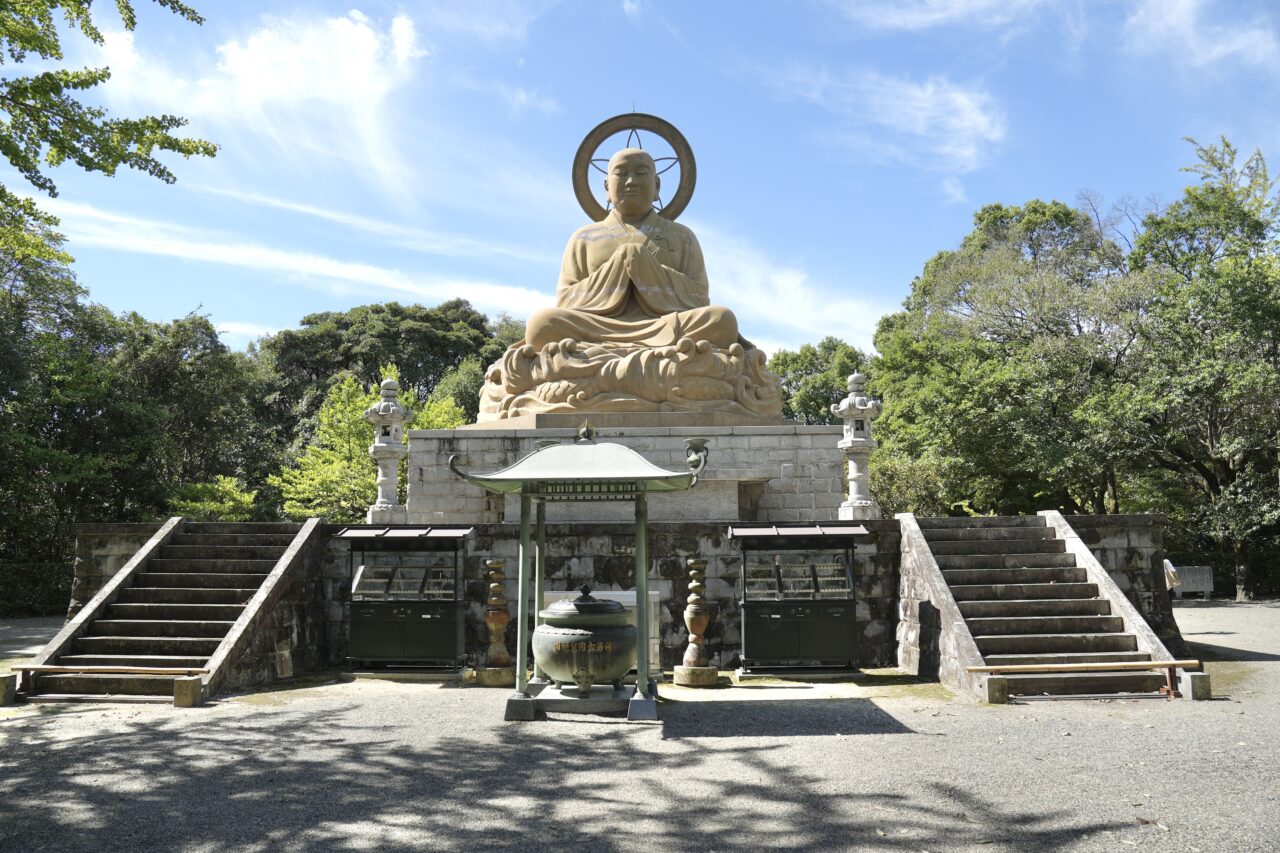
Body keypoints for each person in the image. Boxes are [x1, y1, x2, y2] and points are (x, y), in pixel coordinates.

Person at [524, 147, 739, 350]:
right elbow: (566, 299)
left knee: (722, 320)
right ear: (607, 187)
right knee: (541, 324)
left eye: (641, 173)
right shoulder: (584, 237)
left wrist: (645, 267)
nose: (631, 181)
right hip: (598, 327)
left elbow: (699, 297)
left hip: (667, 325)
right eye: (621, 173)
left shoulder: (682, 236)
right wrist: (620, 266)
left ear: (657, 186)